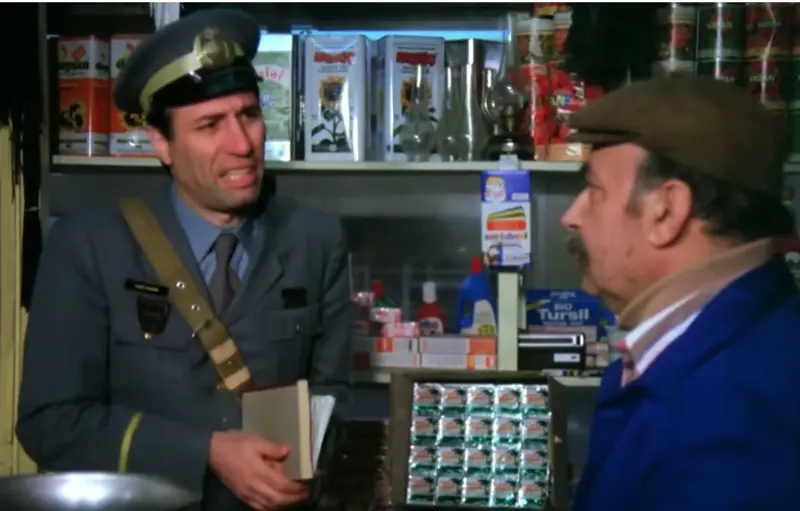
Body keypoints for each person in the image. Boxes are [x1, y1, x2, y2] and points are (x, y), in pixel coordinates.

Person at [16, 9, 351, 511]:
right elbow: (50, 423)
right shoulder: (88, 246)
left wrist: (306, 466)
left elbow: (333, 400)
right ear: (162, 144)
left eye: (249, 114)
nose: (242, 144)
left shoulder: (315, 240)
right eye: (210, 125)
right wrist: (205, 452)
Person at [561, 76, 800, 511]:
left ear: (666, 212)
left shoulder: (736, 421)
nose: (571, 216)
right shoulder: (696, 351)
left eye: (593, 191)